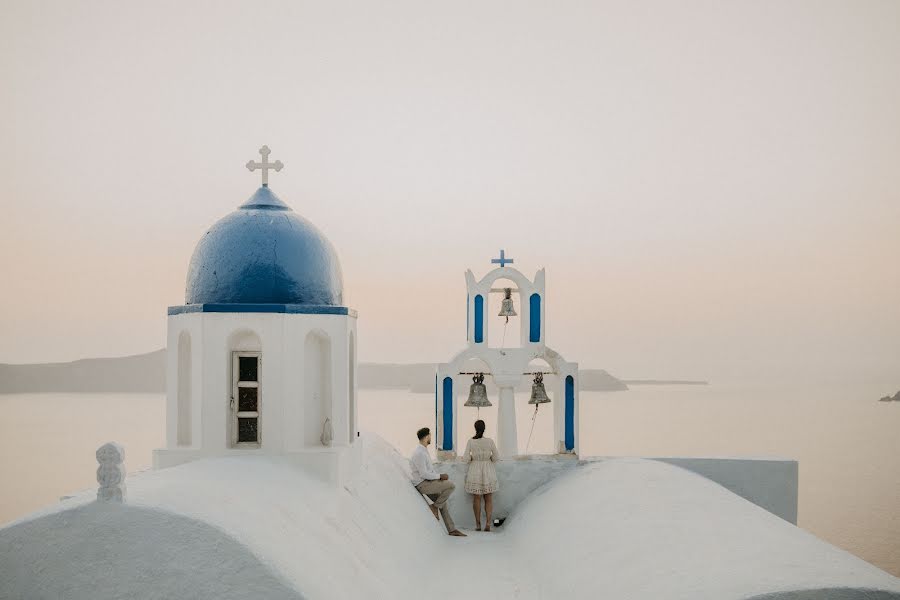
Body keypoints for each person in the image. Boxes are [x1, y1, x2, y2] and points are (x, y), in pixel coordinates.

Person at [410, 427, 467, 537]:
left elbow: (428, 472)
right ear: (426, 437)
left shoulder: (423, 451)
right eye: (430, 435)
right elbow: (423, 474)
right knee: (451, 486)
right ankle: (434, 507)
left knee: (443, 503)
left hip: (428, 482)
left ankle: (452, 529)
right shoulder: (419, 453)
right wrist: (440, 476)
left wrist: (437, 477)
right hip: (423, 484)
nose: (431, 437)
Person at [462, 420, 499, 531]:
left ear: (475, 428)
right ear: (484, 428)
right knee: (488, 497)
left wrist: (474, 458)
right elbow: (496, 457)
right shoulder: (490, 441)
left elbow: (465, 459)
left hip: (475, 469)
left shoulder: (471, 442)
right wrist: (488, 459)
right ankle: (487, 524)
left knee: (476, 498)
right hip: (488, 468)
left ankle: (478, 525)